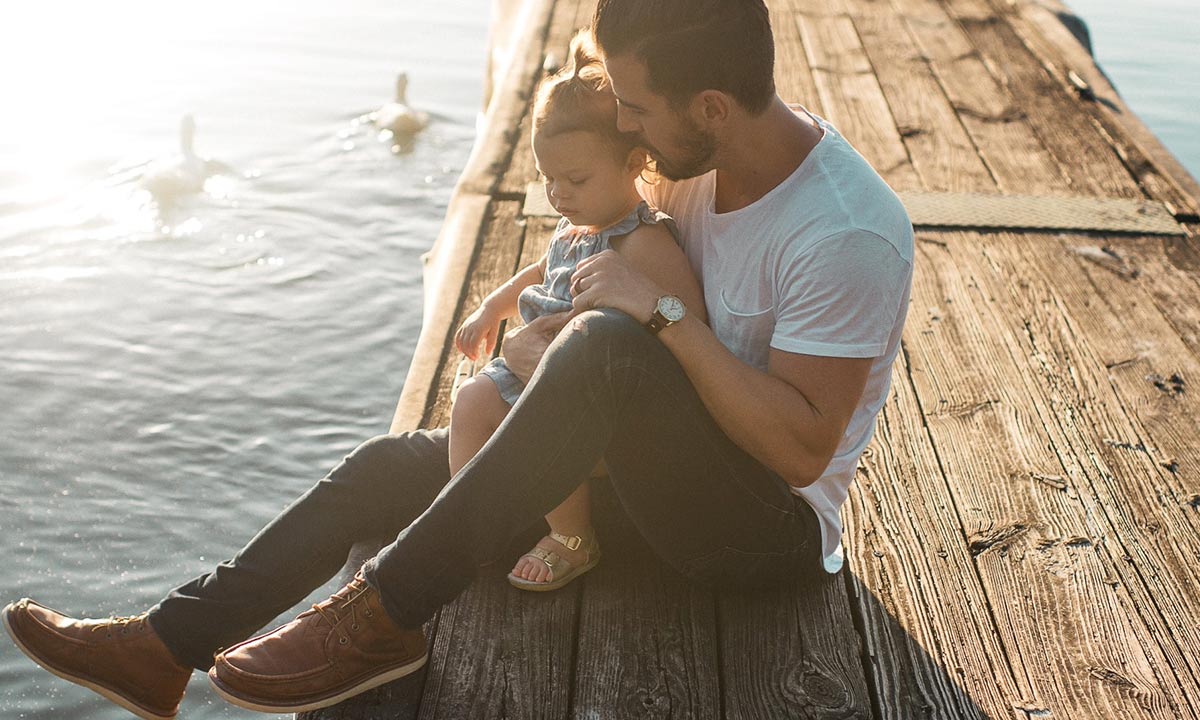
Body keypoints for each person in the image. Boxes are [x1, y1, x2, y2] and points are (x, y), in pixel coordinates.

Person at [2, 0, 914, 716]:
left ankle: (382, 617)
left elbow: (799, 451)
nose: (624, 124)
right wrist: (524, 286)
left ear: (709, 106)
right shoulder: (690, 155)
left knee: (601, 348)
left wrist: (661, 314)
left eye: (636, 107)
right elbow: (612, 235)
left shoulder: (844, 232)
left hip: (759, 530)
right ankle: (163, 648)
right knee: (383, 468)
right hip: (639, 473)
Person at [450, 31, 706, 592]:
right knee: (469, 400)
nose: (559, 195)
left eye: (576, 180)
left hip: (589, 393)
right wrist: (493, 307)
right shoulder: (578, 225)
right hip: (535, 361)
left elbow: (687, 323)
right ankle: (472, 521)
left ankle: (573, 536)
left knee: (548, 427)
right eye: (548, 181)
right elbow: (542, 270)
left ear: (635, 161)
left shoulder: (642, 242)